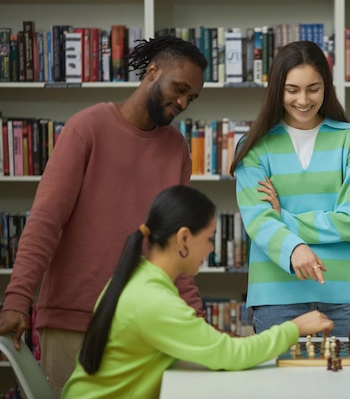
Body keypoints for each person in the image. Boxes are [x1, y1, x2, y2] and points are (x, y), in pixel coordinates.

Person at [0, 35, 209, 396]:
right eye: (179, 89)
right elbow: (45, 222)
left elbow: (178, 248)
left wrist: (199, 323)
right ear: (152, 71)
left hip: (142, 328)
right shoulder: (87, 128)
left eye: (191, 97)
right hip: (73, 323)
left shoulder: (177, 150)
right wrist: (18, 298)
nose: (182, 102)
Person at [61, 185, 334, 399]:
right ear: (183, 239)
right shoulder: (151, 299)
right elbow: (231, 355)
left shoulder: (139, 278)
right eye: (209, 239)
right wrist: (295, 327)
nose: (212, 249)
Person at [229, 40, 350, 337]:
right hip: (276, 297)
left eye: (313, 88)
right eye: (292, 89)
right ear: (277, 89)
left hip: (344, 295)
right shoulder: (253, 147)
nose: (303, 100)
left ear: (326, 87)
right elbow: (258, 219)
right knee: (279, 384)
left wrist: (286, 220)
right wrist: (294, 249)